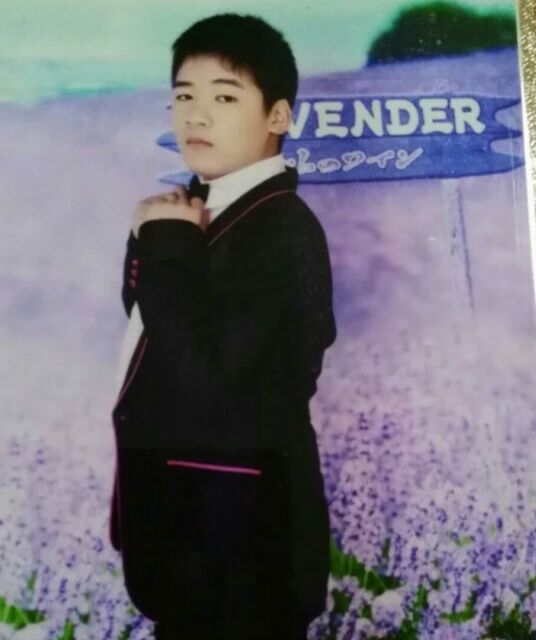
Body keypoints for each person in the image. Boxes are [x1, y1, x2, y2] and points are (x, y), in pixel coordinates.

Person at [109, 13, 337, 640]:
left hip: (244, 554)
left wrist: (165, 243)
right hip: (199, 539)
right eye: (184, 96)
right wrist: (160, 238)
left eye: (225, 98)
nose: (197, 116)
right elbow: (153, 333)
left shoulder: (282, 229)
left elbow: (208, 375)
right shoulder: (203, 207)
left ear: (278, 116)